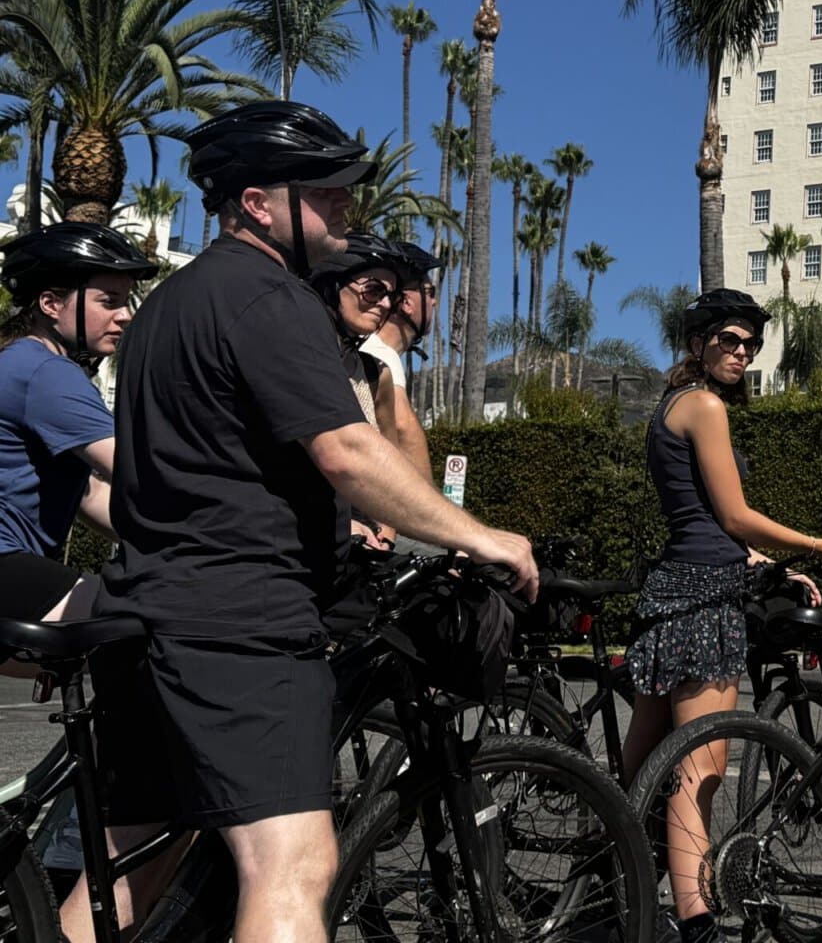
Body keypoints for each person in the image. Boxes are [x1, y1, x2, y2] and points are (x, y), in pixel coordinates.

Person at [90, 101, 539, 943]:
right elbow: (349, 453)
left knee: (131, 865)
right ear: (259, 204)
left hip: (148, 612)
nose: (345, 204)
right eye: (325, 188)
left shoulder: (165, 307)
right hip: (242, 622)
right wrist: (480, 534)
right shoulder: (270, 298)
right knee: (294, 867)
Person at [618, 287, 822, 943]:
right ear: (698, 343)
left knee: (642, 767)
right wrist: (816, 543)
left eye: (750, 345)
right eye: (728, 340)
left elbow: (703, 518)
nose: (741, 353)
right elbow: (730, 516)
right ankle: (696, 923)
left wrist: (763, 563)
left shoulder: (672, 405)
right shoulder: (704, 406)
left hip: (670, 590)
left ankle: (616, 891)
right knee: (698, 772)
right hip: (704, 599)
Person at [0, 222, 157, 626]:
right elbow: (138, 468)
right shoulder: (46, 372)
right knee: (158, 617)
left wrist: (169, 542)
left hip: (15, 563)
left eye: (127, 302)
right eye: (109, 301)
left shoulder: (19, 360)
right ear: (51, 304)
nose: (125, 317)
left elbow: (89, 495)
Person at [307, 233, 410, 546]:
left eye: (393, 295)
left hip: (365, 545)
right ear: (334, 286)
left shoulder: (376, 372)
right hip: (310, 533)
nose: (385, 303)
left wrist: (387, 534)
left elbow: (391, 468)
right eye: (374, 290)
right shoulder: (301, 359)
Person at [356, 238, 438, 481]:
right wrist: (429, 507)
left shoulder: (368, 346)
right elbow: (402, 429)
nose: (434, 301)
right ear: (406, 303)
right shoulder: (379, 353)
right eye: (429, 292)